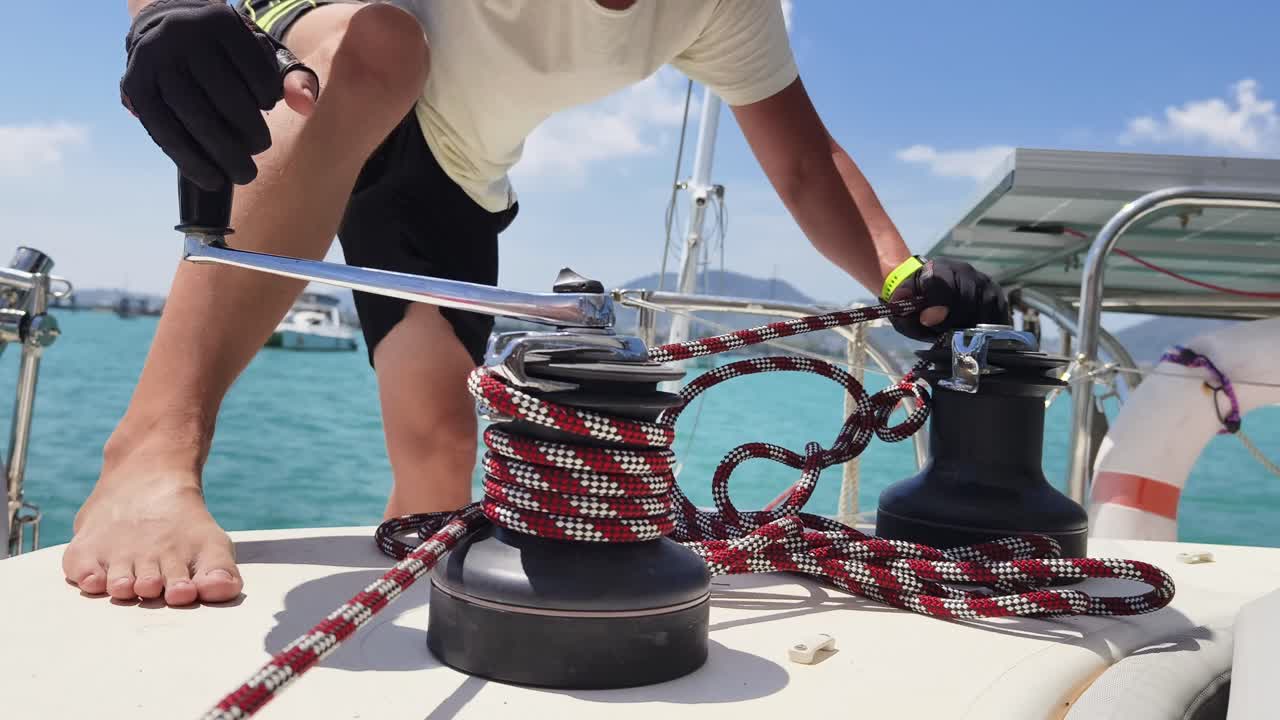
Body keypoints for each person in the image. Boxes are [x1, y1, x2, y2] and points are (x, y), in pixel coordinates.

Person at [66, 0, 1009, 606]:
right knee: (380, 47)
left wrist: (900, 276)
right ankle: (150, 457)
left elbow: (804, 164)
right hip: (325, 56)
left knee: (440, 469)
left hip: (452, 172)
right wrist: (163, 11)